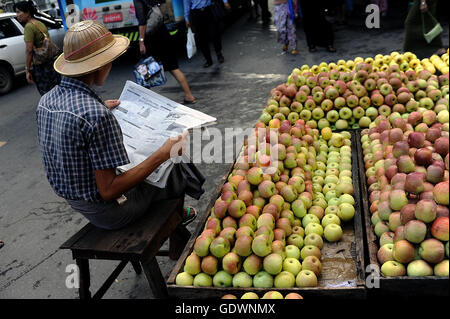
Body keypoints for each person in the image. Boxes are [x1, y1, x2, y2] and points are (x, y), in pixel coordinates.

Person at [37, 20, 198, 230]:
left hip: (78, 201)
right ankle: (175, 222)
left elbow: (75, 125)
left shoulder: (46, 101)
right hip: (110, 211)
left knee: (160, 158)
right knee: (172, 162)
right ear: (102, 65)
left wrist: (99, 107)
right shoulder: (95, 115)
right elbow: (109, 190)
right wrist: (162, 154)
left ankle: (175, 221)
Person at [133, 0, 196, 105]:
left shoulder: (138, 1)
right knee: (173, 68)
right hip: (164, 35)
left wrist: (141, 41)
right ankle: (189, 96)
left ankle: (147, 103)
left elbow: (142, 22)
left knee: (145, 71)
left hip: (152, 40)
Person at [14, 1, 61, 95]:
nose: (17, 15)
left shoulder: (29, 27)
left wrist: (27, 70)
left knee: (48, 95)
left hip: (42, 67)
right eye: (16, 12)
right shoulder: (39, 23)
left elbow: (29, 50)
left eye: (19, 12)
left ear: (27, 12)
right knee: (58, 91)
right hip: (52, 63)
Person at [184, 0, 231, 68]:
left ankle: (219, 54)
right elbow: (186, 5)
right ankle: (208, 60)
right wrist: (187, 19)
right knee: (201, 38)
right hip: (196, 14)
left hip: (208, 10)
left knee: (214, 33)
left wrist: (225, 2)